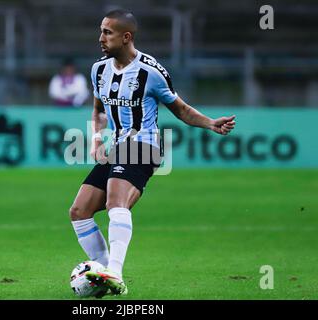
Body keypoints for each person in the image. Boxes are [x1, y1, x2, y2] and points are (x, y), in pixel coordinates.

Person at [69, 9, 236, 296]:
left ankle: (115, 274)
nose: (101, 38)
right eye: (101, 31)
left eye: (107, 32)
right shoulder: (99, 69)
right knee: (79, 211)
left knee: (115, 202)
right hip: (117, 146)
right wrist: (96, 139)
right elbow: (97, 110)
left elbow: (181, 109)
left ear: (126, 37)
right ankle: (103, 271)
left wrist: (210, 123)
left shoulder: (151, 72)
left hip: (143, 145)